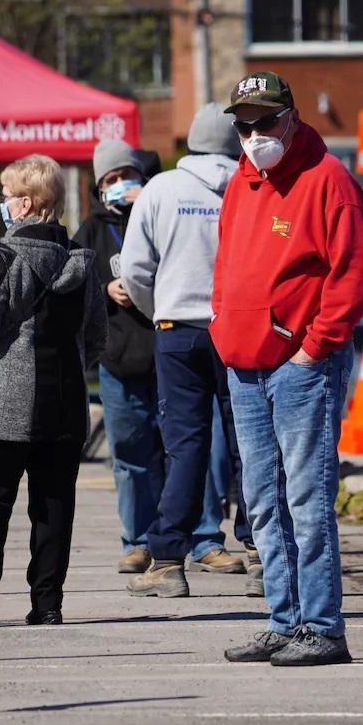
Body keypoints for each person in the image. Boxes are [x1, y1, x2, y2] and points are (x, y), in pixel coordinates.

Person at [212, 72, 363, 665]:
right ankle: (284, 621)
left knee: (307, 499)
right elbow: (227, 265)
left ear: (292, 116)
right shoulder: (240, 183)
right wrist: (223, 325)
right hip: (244, 365)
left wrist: (313, 348)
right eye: (244, 124)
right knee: (262, 501)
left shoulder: (328, 180)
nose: (254, 134)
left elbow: (355, 276)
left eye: (264, 121)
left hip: (302, 368)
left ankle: (324, 627)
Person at [0, 154, 106, 628]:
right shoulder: (81, 261)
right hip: (68, 404)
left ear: (27, 203)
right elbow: (97, 336)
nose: (4, 204)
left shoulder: (5, 258)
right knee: (54, 507)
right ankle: (47, 604)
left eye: (7, 196)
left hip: (6, 408)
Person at [74, 139, 243, 576]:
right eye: (111, 179)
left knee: (190, 449)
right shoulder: (91, 232)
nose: (121, 185)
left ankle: (205, 539)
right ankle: (139, 541)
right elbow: (71, 288)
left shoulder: (164, 205)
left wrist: (152, 302)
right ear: (98, 188)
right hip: (121, 363)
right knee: (132, 457)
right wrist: (103, 290)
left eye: (127, 175)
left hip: (170, 352)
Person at [120, 104, 261, 599]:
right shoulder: (254, 187)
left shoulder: (160, 189)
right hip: (239, 330)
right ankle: (260, 552)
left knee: (185, 447)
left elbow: (135, 268)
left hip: (178, 331)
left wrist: (159, 308)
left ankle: (168, 561)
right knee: (250, 446)